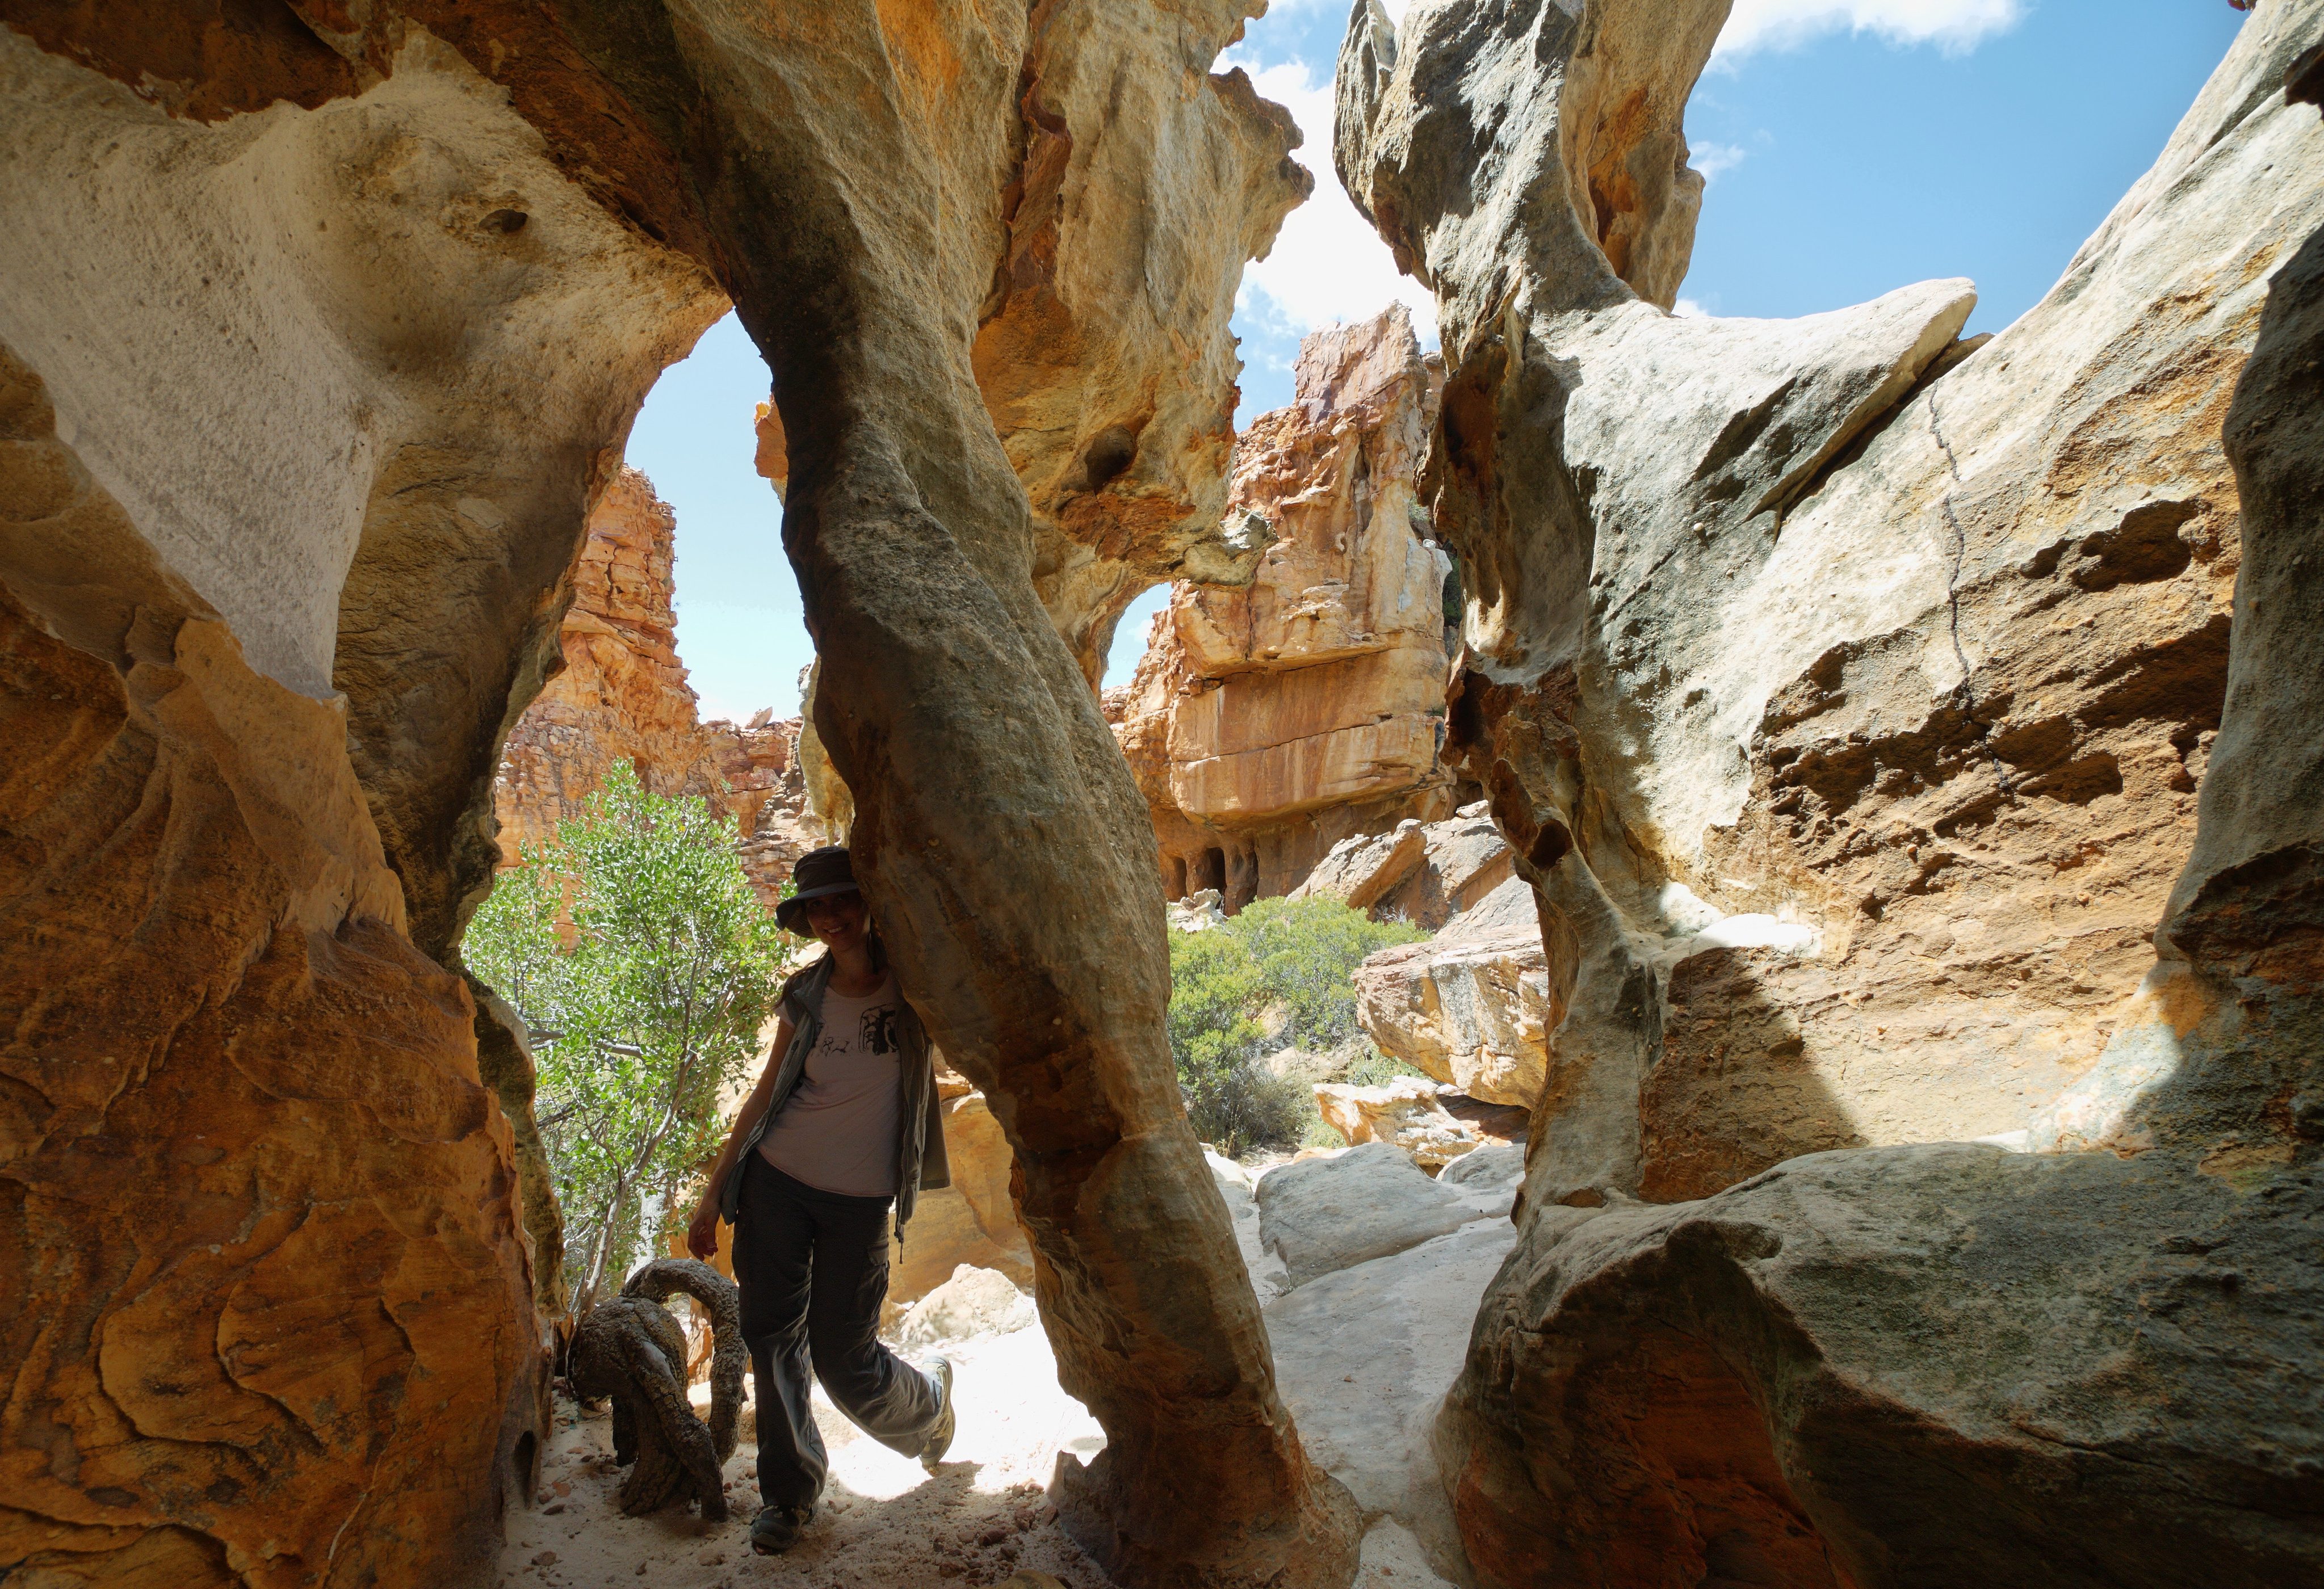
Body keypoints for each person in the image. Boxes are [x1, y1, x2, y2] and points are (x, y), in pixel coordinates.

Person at [686, 844, 957, 1556]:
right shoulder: (804, 994)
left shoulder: (914, 984)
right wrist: (714, 1192)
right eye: (816, 906)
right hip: (777, 1183)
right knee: (772, 1340)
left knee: (844, 1356)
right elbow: (765, 1094)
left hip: (860, 1202)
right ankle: (789, 1495)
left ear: (867, 904)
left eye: (841, 899)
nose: (830, 915)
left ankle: (929, 1407)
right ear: (804, 919)